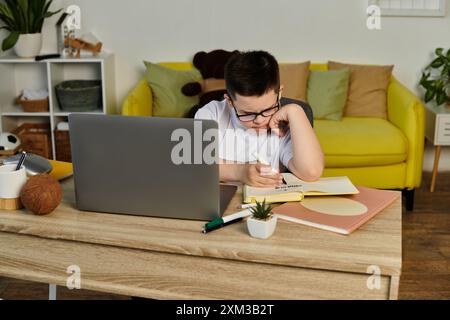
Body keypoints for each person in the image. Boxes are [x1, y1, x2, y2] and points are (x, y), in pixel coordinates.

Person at [195, 50, 324, 187]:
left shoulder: (286, 125)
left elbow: (311, 172)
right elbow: (195, 166)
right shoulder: (212, 113)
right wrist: (240, 172)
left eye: (268, 110)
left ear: (279, 93)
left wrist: (295, 111)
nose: (259, 120)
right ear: (230, 101)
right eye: (247, 113)